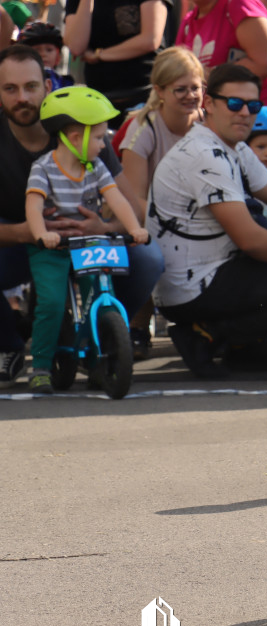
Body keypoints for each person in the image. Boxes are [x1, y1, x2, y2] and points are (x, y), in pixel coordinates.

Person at [146, 63, 267, 378]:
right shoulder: (205, 154)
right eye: (234, 103)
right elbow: (249, 239)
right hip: (190, 288)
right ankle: (208, 336)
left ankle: (250, 345)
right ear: (208, 104)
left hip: (219, 264)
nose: (244, 113)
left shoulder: (232, 146)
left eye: (253, 105)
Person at [0, 45, 163, 388]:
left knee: (148, 258)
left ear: (47, 86)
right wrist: (27, 232)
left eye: (31, 87)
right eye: (10, 89)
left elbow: (130, 206)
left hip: (86, 238)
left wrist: (105, 226)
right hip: (19, 242)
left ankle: (101, 338)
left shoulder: (80, 125)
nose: (22, 98)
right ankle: (8, 343)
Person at [25, 87, 151, 394]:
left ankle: (99, 360)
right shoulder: (43, 168)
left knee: (99, 292)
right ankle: (40, 366)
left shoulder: (95, 169)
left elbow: (117, 200)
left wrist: (135, 228)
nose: (103, 144)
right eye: (98, 137)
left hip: (88, 245)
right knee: (52, 302)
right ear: (73, 136)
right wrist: (42, 233)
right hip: (53, 247)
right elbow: (33, 205)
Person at [119, 46, 204, 358]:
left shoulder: (207, 125)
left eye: (195, 88)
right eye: (179, 89)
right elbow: (132, 199)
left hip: (196, 215)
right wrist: (176, 227)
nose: (189, 96)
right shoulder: (144, 128)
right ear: (160, 91)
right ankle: (138, 325)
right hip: (147, 214)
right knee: (148, 248)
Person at [175, 0, 267, 158]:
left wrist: (212, 74)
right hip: (221, 127)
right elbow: (177, 72)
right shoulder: (189, 20)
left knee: (266, 182)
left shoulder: (239, 4)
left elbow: (265, 63)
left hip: (264, 122)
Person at [63, 0, 172, 126]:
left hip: (144, 94)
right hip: (100, 100)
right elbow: (76, 46)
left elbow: (150, 40)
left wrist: (99, 55)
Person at [16, 22, 73, 91]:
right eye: (37, 50)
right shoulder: (16, 81)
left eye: (49, 50)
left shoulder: (65, 84)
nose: (43, 54)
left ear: (58, 57)